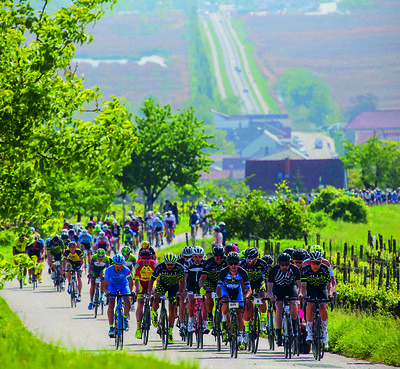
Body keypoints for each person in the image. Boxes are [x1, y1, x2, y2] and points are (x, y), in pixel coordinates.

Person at [147, 252, 185, 344]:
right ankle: (154, 312)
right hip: (162, 285)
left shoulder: (179, 267)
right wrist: (150, 294)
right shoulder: (160, 266)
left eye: (172, 265)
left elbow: (183, 282)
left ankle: (170, 333)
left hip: (174, 287)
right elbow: (152, 280)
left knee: (172, 308)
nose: (170, 267)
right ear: (165, 263)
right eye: (168, 265)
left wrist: (179, 293)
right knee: (155, 300)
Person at [217, 251, 251, 350]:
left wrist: (247, 297)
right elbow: (218, 289)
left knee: (239, 313)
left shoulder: (243, 272)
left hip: (237, 291)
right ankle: (224, 320)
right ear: (228, 264)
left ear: (238, 263)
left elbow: (249, 289)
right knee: (226, 302)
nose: (233, 266)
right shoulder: (223, 272)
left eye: (235, 263)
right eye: (231, 264)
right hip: (225, 290)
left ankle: (240, 339)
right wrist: (220, 298)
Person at [267, 252, 301, 346]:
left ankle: (295, 325)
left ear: (290, 263)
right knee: (278, 307)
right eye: (282, 264)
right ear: (278, 263)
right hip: (278, 288)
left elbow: (300, 286)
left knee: (294, 304)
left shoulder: (294, 269)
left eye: (287, 264)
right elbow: (269, 289)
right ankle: (278, 333)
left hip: (290, 287)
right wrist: (271, 296)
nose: (284, 267)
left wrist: (300, 294)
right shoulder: (274, 270)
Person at [301, 251, 332, 348]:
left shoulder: (325, 268)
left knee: (323, 306)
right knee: (310, 305)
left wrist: (330, 294)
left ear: (321, 262)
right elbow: (303, 286)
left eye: (318, 263)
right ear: (310, 262)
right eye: (313, 263)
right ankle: (309, 331)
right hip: (310, 289)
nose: (315, 265)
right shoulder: (305, 269)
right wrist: (303, 295)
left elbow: (329, 285)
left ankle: (324, 331)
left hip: (321, 289)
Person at [241, 247, 269, 342]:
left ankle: (263, 322)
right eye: (246, 259)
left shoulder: (262, 264)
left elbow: (267, 279)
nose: (248, 261)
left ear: (255, 259)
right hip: (247, 284)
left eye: (250, 259)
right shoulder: (243, 264)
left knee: (262, 298)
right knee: (248, 304)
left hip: (259, 283)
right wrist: (244, 293)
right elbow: (240, 279)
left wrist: (269, 291)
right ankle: (247, 329)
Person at [104, 254, 134, 338]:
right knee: (111, 304)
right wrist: (107, 292)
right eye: (117, 265)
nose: (118, 267)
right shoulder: (108, 270)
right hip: (112, 286)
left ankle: (125, 319)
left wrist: (132, 292)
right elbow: (105, 286)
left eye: (120, 265)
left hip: (123, 285)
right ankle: (111, 328)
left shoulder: (126, 270)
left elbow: (131, 283)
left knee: (128, 301)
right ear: (113, 264)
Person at [199, 244, 227, 331]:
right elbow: (203, 278)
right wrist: (202, 288)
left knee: (226, 299)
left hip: (222, 282)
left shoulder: (227, 261)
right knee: (209, 295)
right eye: (216, 257)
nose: (219, 259)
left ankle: (225, 319)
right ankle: (210, 316)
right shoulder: (208, 262)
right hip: (210, 281)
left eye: (221, 257)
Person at [134, 249, 157, 339]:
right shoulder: (137, 265)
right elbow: (136, 279)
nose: (146, 260)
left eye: (148, 258)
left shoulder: (154, 264)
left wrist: (154, 287)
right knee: (140, 304)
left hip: (151, 283)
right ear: (141, 258)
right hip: (142, 284)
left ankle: (153, 312)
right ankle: (138, 328)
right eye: (144, 258)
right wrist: (137, 288)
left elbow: (157, 279)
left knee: (154, 299)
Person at [184, 246, 208, 334]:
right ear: (192, 256)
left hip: (201, 285)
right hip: (191, 284)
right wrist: (185, 288)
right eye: (195, 256)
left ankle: (205, 324)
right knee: (191, 300)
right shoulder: (187, 263)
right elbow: (185, 277)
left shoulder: (205, 263)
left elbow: (206, 277)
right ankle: (190, 322)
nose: (198, 259)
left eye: (200, 256)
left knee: (205, 302)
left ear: (203, 256)